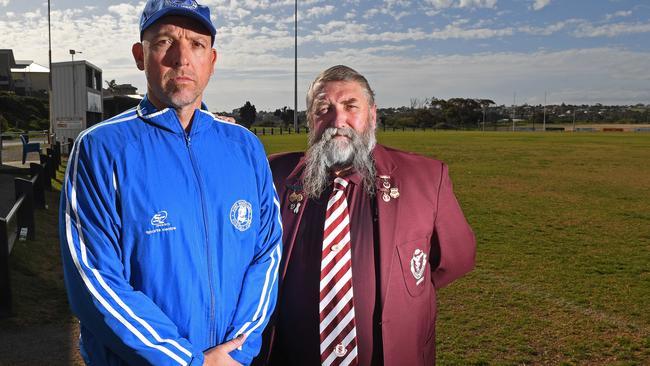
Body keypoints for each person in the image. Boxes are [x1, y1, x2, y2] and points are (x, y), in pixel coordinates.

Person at [59, 1, 282, 365]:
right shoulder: (101, 149)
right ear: (139, 55)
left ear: (212, 60)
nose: (182, 58)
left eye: (196, 44)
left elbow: (267, 253)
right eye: (164, 42)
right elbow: (94, 281)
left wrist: (237, 350)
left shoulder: (245, 147)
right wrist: (187, 360)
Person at [260, 65, 475, 366]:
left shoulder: (426, 177)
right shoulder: (272, 175)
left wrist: (402, 292)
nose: (338, 120)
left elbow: (454, 260)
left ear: (372, 114)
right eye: (324, 109)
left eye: (351, 107)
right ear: (310, 119)